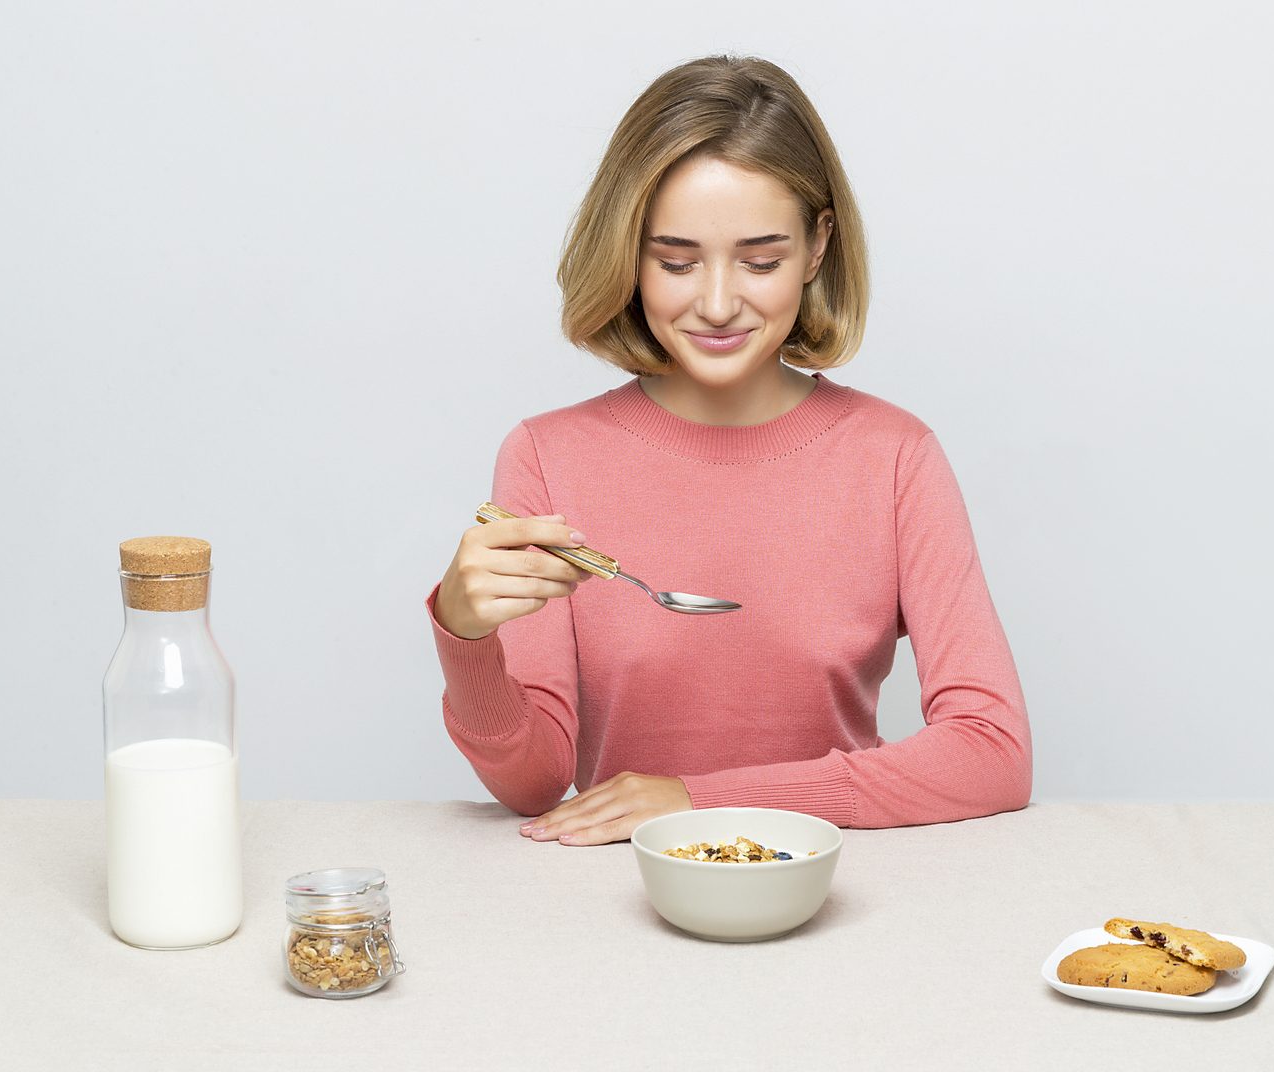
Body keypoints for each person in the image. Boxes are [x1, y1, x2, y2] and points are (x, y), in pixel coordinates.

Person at [427, 55, 1031, 846]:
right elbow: (537, 782)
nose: (716, 303)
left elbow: (993, 753)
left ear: (818, 247)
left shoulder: (894, 456)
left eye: (761, 260)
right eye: (676, 261)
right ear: (629, 254)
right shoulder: (548, 454)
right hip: (620, 905)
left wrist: (698, 800)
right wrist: (464, 637)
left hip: (836, 894)